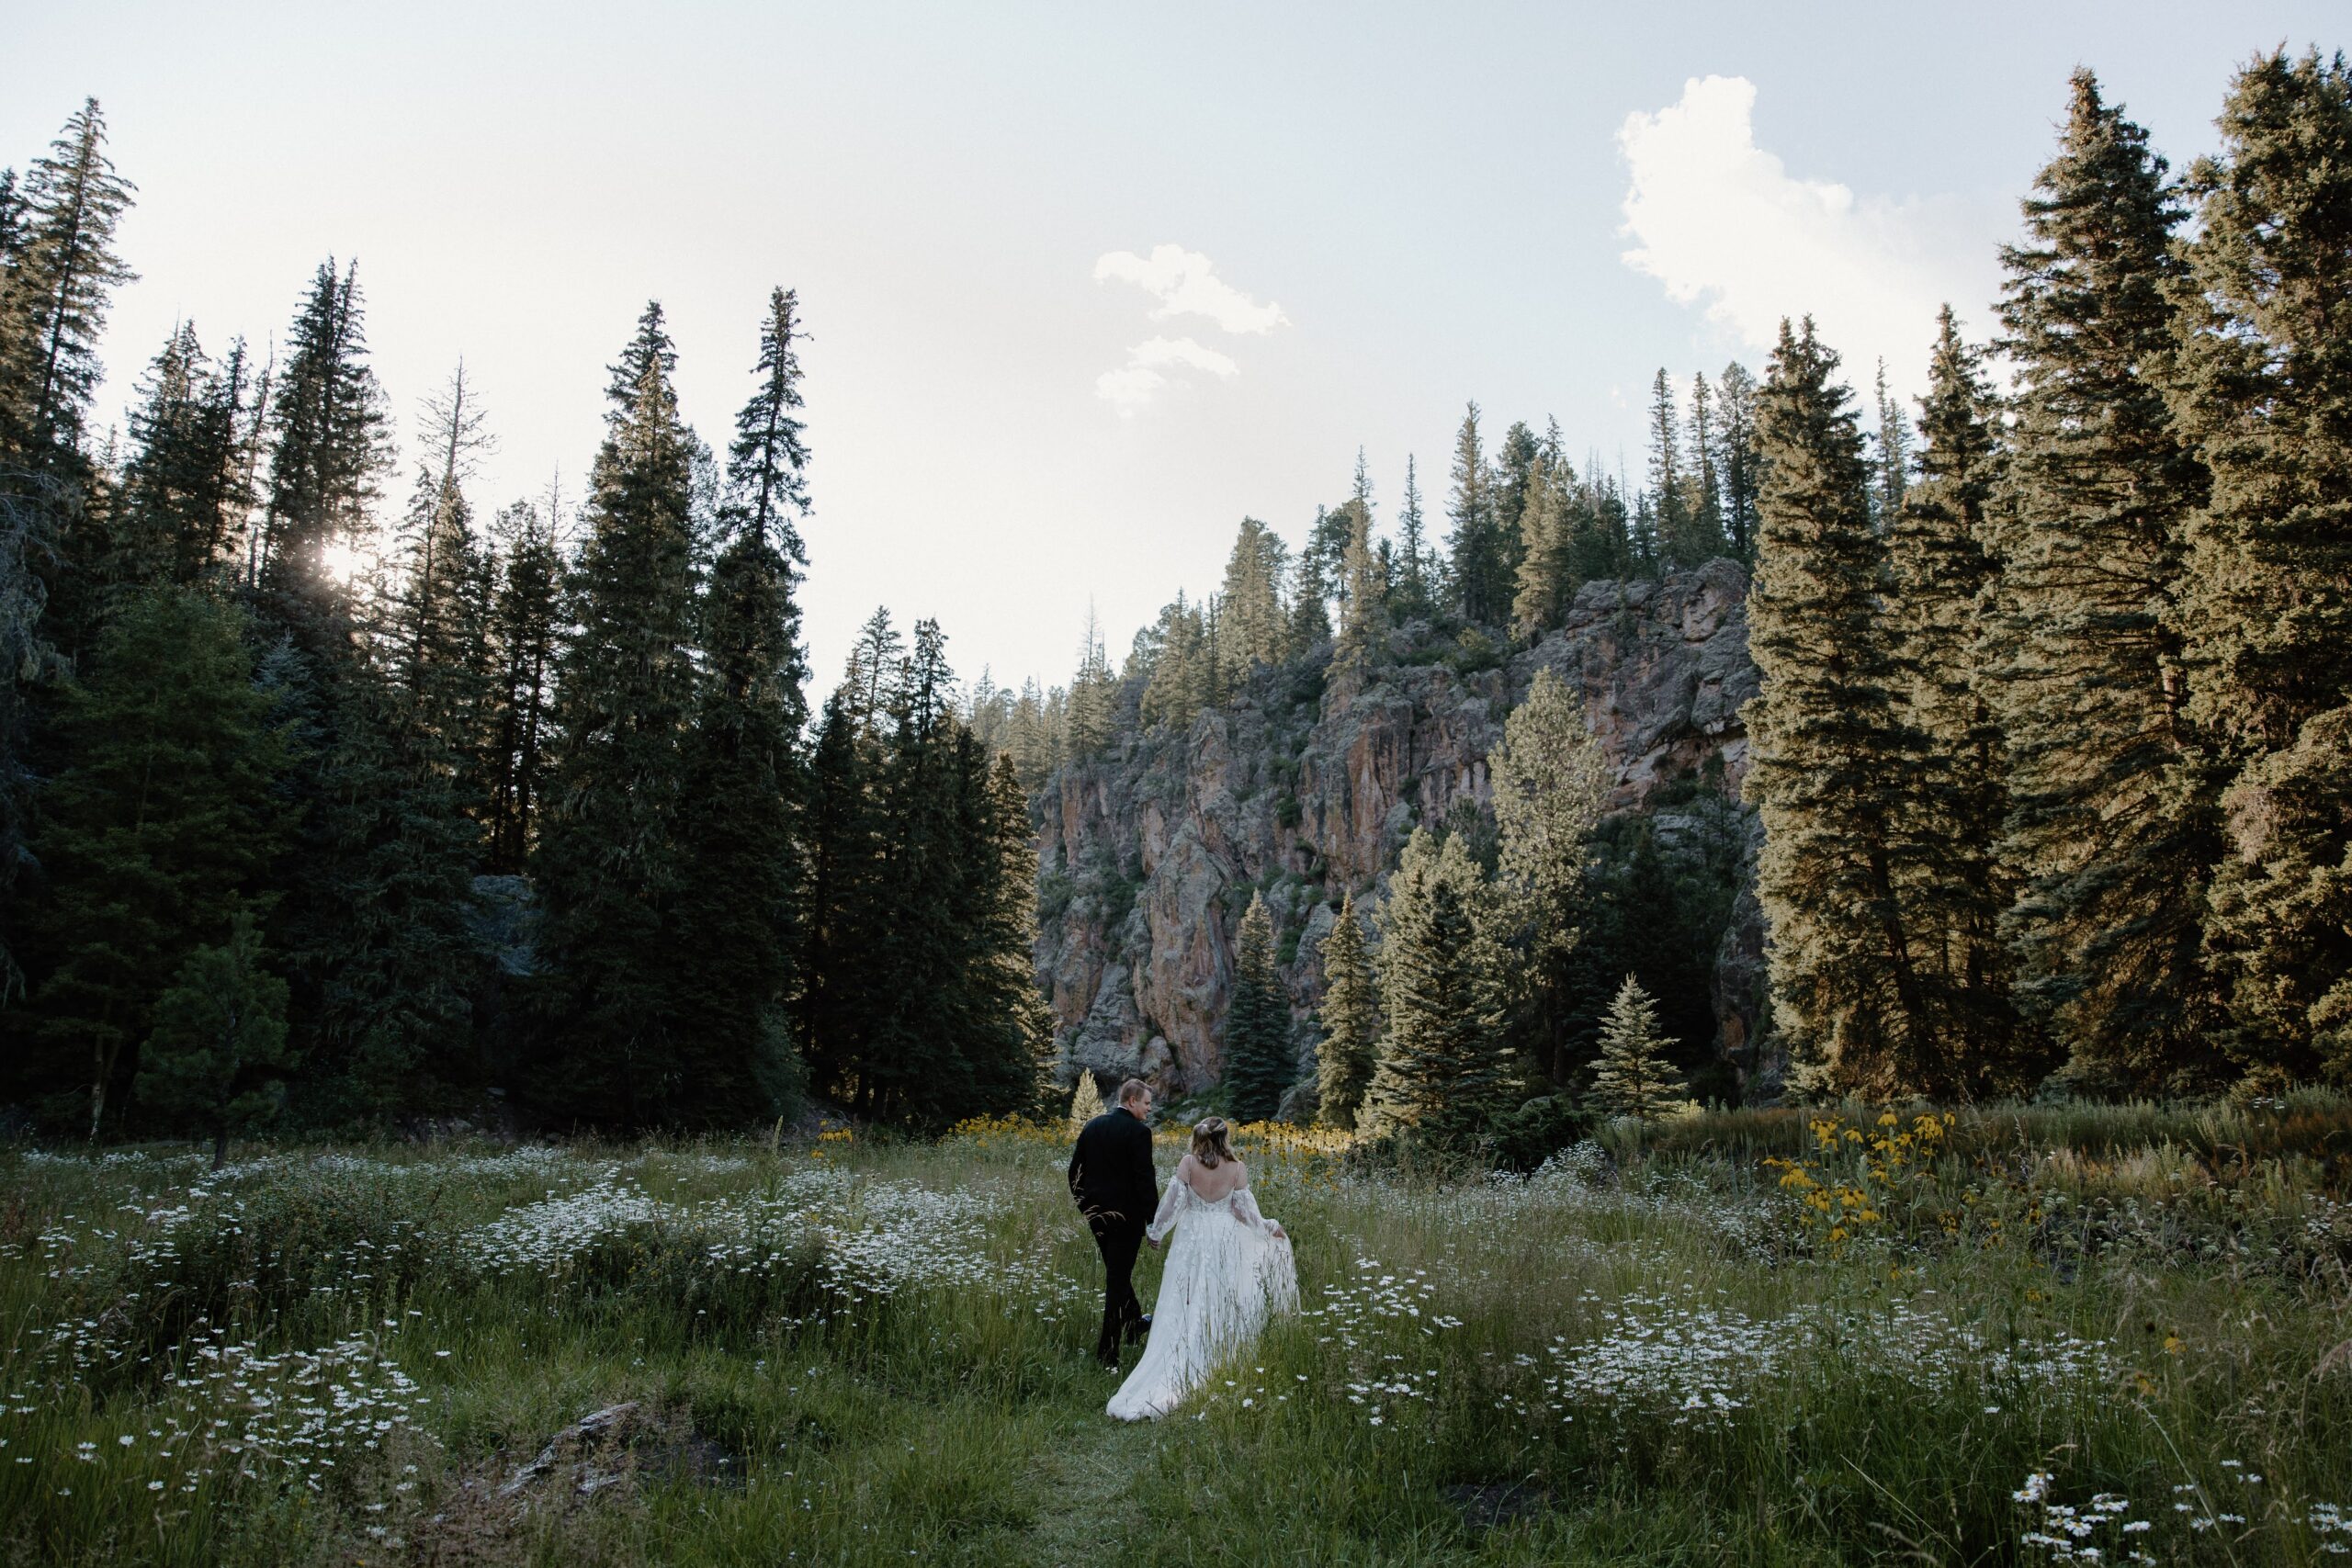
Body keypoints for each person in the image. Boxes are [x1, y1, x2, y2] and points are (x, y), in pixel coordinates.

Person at [1107, 1115, 1297, 1421]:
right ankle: (1215, 1357)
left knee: (1184, 1296)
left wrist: (1156, 1231)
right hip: (1223, 1238)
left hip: (1192, 1240)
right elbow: (1243, 1212)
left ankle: (1176, 1356)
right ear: (1226, 1138)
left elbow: (1173, 1204)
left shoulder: (1188, 1164)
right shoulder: (1237, 1168)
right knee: (1219, 1296)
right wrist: (1267, 1227)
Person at [1067, 1076, 1159, 1367]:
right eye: (1146, 1103)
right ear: (1132, 1100)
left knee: (1117, 1276)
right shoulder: (1139, 1133)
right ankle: (1107, 1354)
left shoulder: (1092, 1126)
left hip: (1097, 1219)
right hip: (1127, 1221)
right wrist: (1153, 1222)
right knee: (1116, 1281)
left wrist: (1086, 1208)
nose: (1148, 1109)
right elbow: (1145, 1181)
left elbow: (1074, 1173)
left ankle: (1135, 1324)